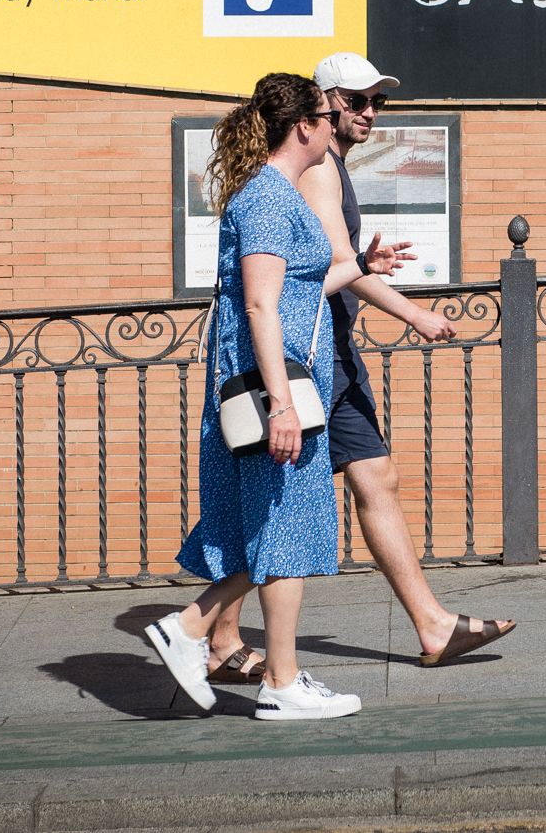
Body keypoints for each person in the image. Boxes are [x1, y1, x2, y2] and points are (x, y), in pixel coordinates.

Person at [205, 51, 517, 672]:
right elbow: (314, 276)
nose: (370, 112)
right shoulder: (314, 171)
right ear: (317, 110)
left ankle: (219, 636)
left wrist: (371, 274)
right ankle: (205, 633)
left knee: (351, 483)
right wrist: (416, 314)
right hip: (307, 358)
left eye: (379, 101)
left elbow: (331, 268)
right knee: (287, 502)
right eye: (355, 101)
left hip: (324, 352)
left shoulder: (325, 167)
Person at [148, 73, 369, 720]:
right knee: (282, 531)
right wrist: (280, 403)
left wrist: (363, 265)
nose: (336, 126)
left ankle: (275, 676)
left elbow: (299, 285)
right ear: (303, 125)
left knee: (276, 534)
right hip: (275, 393)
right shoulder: (270, 199)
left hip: (283, 389)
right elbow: (259, 302)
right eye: (329, 115)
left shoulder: (275, 196)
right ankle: (200, 633)